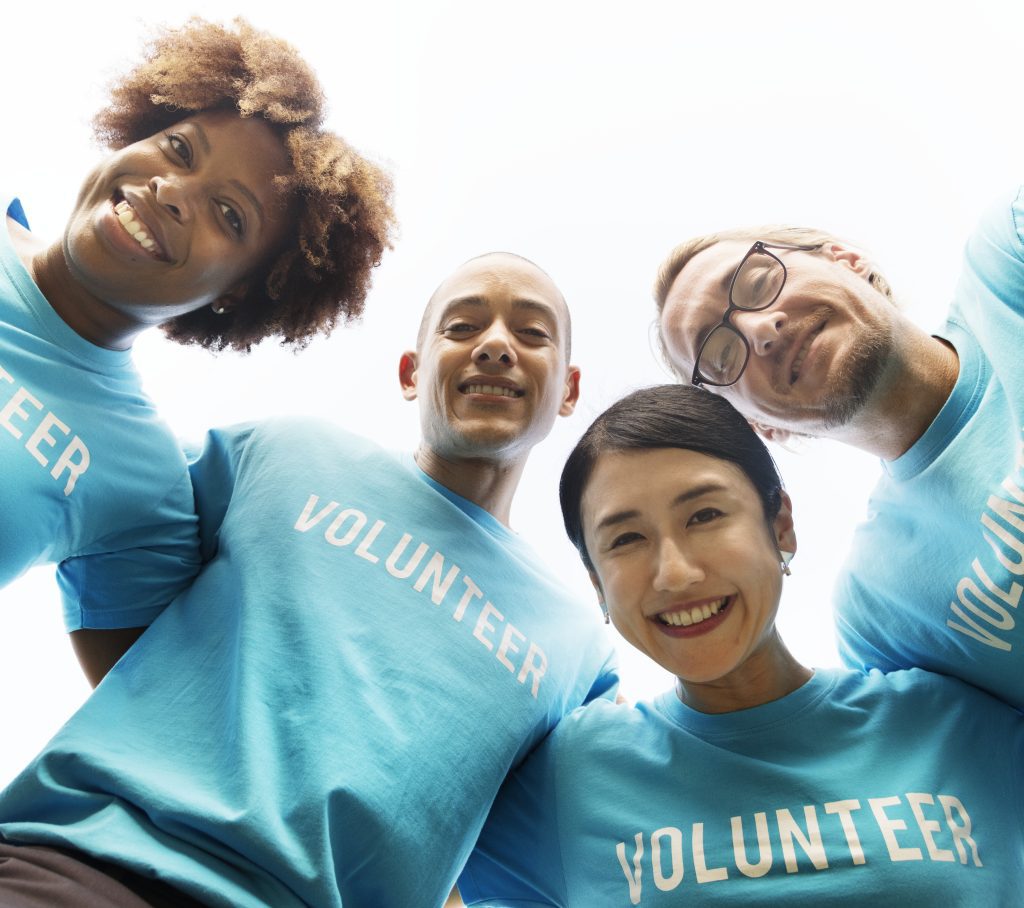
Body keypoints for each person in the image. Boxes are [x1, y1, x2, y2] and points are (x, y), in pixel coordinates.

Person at [0, 252, 618, 908]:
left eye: (531, 333)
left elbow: (504, 862)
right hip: (89, 867)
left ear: (571, 389)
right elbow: (117, 517)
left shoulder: (578, 648)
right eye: (462, 328)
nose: (495, 346)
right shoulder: (283, 454)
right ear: (411, 373)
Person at [458, 384, 1024, 906]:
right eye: (626, 539)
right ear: (596, 584)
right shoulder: (566, 777)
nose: (674, 574)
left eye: (704, 515)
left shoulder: (960, 724)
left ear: (780, 525)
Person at [1, 17, 395, 684]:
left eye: (229, 215)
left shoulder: (141, 485)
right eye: (179, 150)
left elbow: (164, 726)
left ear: (237, 294)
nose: (174, 193)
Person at [652, 196, 1024, 709]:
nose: (760, 331)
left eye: (758, 283)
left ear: (846, 259)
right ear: (760, 425)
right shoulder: (882, 613)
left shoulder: (1009, 257)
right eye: (719, 355)